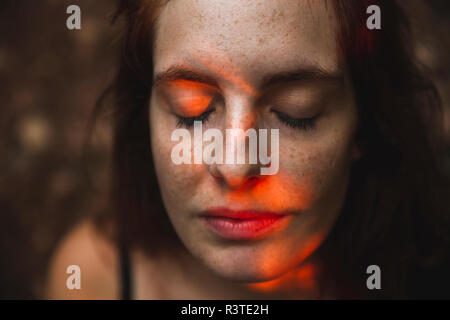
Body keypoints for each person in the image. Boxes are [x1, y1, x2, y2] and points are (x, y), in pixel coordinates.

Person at [45, 0, 450, 299]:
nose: (236, 165)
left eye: (296, 113)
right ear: (146, 111)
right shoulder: (93, 277)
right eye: (192, 111)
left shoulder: (423, 275)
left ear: (366, 122)